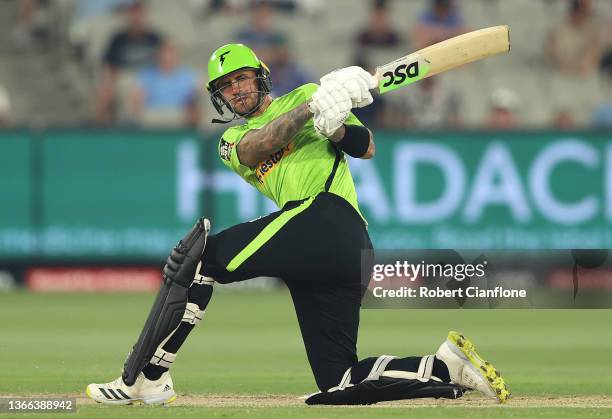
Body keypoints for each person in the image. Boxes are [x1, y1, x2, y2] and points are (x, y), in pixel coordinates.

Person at [85, 43, 510, 406]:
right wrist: (315, 110)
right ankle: (444, 367)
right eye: (225, 86)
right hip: (323, 247)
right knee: (337, 380)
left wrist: (336, 127)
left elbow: (366, 148)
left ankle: (146, 377)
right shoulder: (230, 141)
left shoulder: (308, 91)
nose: (236, 89)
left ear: (261, 77)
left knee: (201, 259)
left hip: (329, 218)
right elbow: (259, 147)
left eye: (242, 78)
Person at [127, 41, 201, 127]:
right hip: (152, 114)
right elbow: (135, 100)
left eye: (170, 54)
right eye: (163, 54)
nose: (167, 57)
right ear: (157, 56)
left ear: (176, 56)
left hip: (180, 114)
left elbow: (195, 100)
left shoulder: (189, 76)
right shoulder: (145, 75)